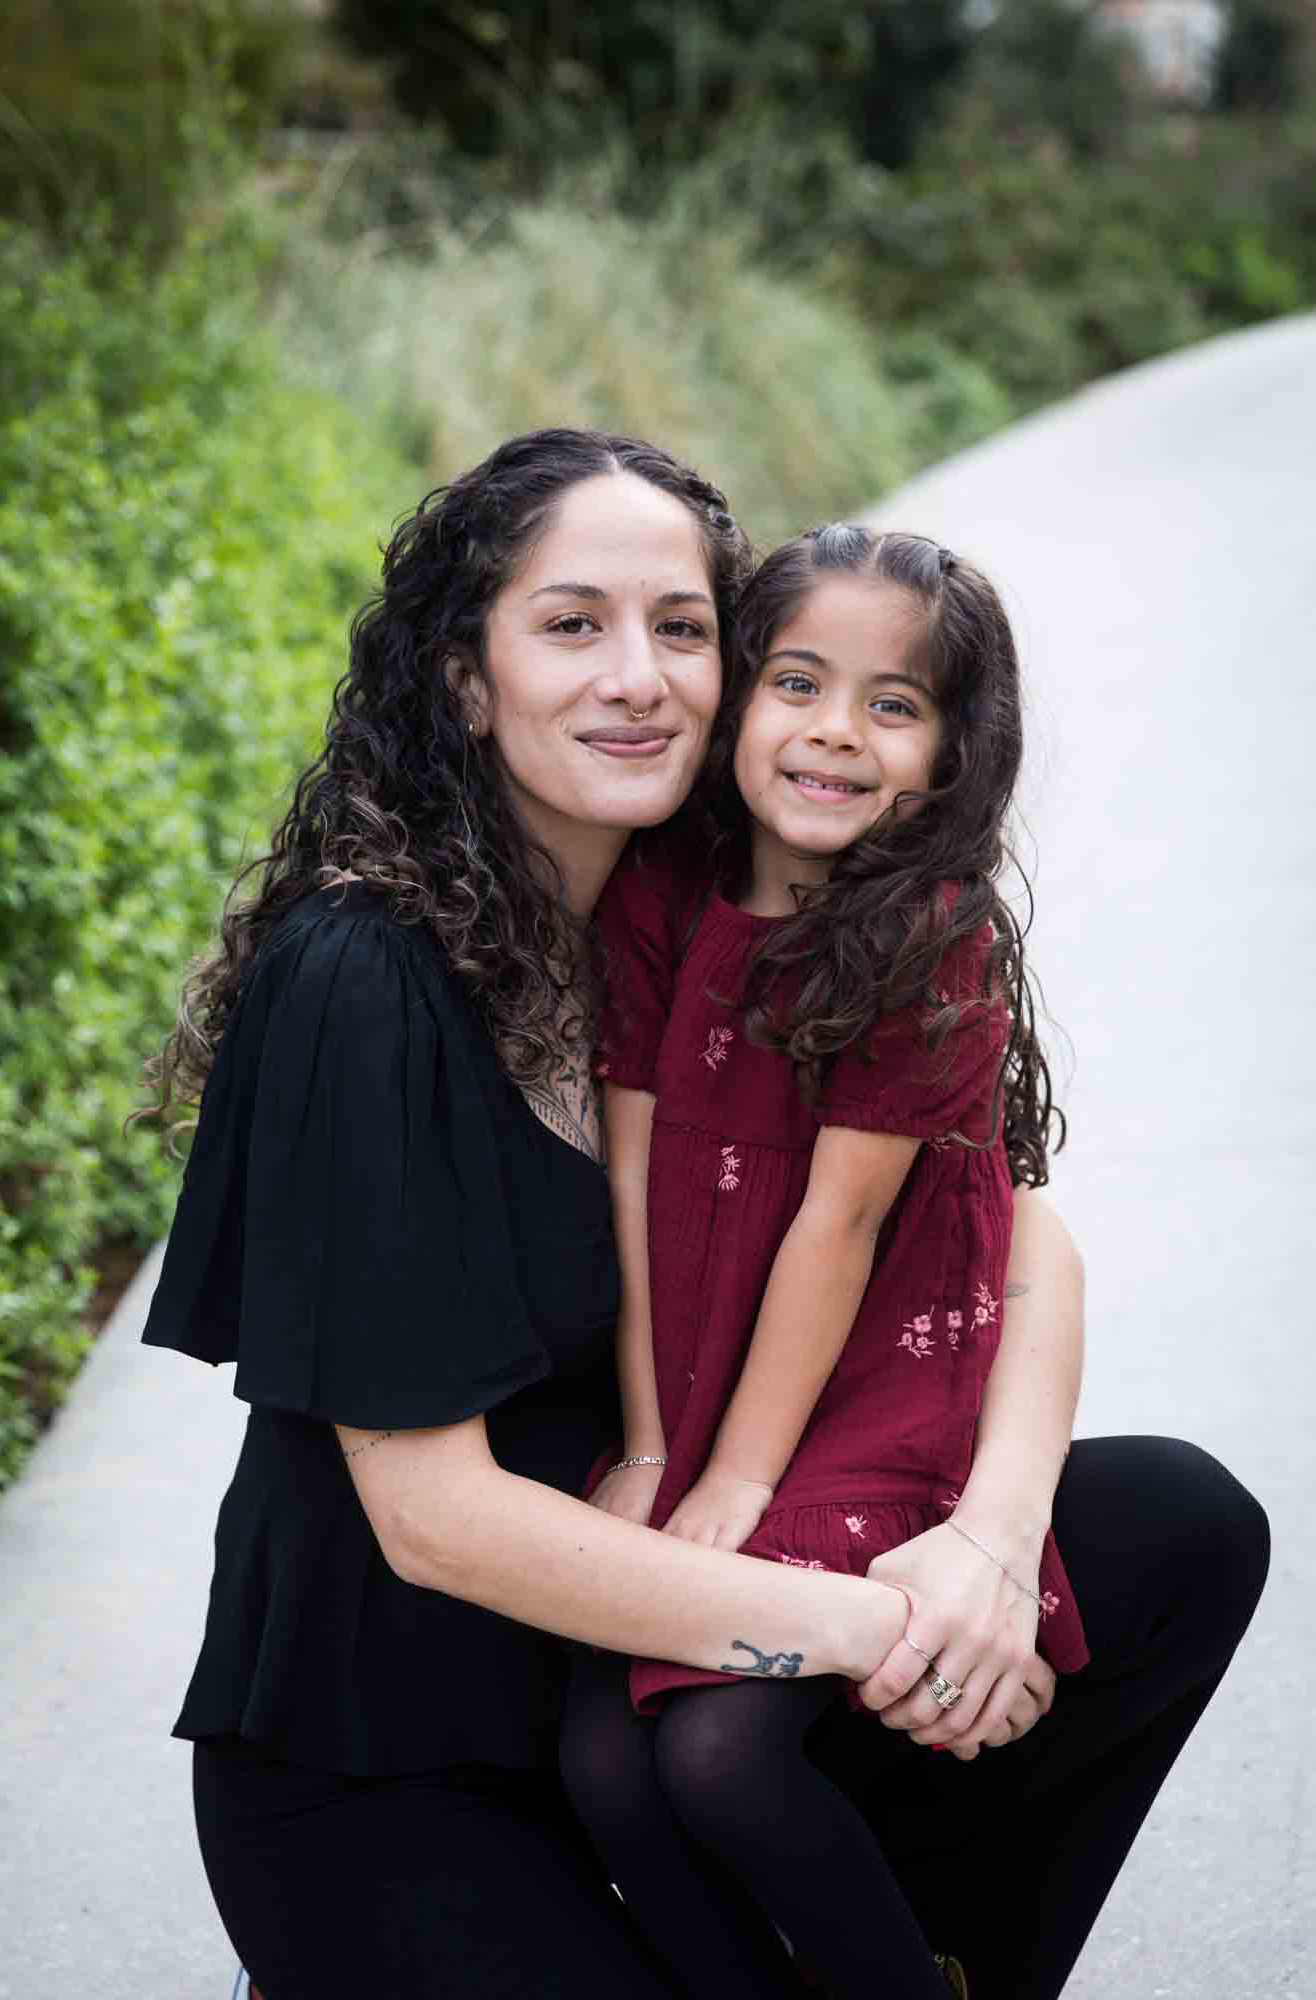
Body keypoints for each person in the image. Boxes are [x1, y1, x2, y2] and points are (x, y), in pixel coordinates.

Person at [139, 430, 1266, 2000]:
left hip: (650, 1672)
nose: (636, 676)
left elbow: (1015, 1230)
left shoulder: (727, 898)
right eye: (568, 623)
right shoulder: (365, 979)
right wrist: (876, 1629)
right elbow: (433, 1517)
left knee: (1175, 1527)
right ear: (465, 678)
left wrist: (990, 1555)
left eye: (679, 628)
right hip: (403, 1756)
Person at [562, 525, 1088, 1999]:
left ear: (949, 751)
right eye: (797, 681)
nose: (834, 734)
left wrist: (735, 1481)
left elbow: (837, 1226)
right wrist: (662, 1445)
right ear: (737, 699)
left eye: (893, 704)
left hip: (873, 1368)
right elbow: (636, 1164)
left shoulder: (926, 938)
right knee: (607, 1763)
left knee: (723, 1754)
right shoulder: (663, 893)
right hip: (702, 1361)